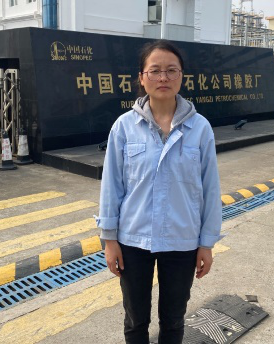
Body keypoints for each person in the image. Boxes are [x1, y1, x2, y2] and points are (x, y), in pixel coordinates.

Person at [95, 40, 222, 344]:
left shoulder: (200, 128)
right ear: (142, 78)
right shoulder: (124, 127)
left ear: (181, 77)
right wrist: (109, 240)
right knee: (135, 319)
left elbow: (210, 188)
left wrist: (206, 243)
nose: (163, 77)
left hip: (182, 239)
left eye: (171, 70)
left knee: (174, 320)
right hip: (133, 239)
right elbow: (111, 186)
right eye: (155, 71)